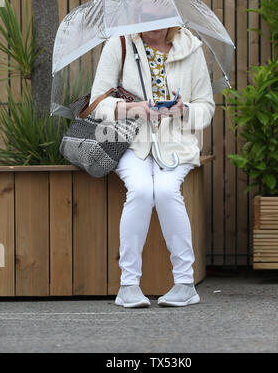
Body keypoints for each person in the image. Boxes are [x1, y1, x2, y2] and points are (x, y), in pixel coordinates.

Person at [90, 26, 215, 308]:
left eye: (158, 18)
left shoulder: (191, 48)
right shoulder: (119, 44)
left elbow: (206, 108)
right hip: (131, 142)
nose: (151, 26)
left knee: (168, 192)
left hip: (175, 145)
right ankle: (128, 286)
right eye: (144, 18)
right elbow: (97, 103)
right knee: (143, 191)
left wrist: (183, 111)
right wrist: (133, 109)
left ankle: (185, 283)